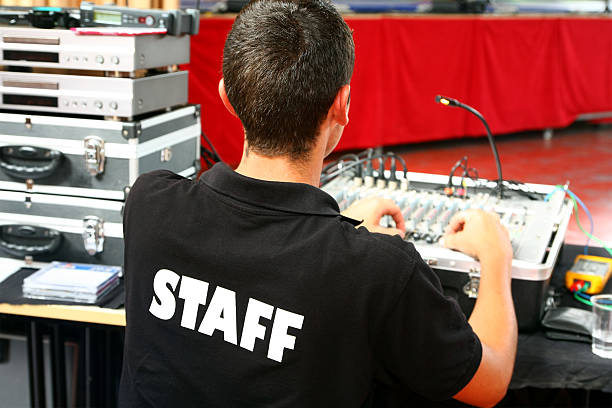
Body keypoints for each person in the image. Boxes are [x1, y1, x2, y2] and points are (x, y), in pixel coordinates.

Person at [118, 0, 517, 406]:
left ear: (226, 96)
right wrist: (497, 258)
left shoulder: (148, 203)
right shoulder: (379, 270)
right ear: (342, 106)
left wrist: (341, 230)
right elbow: (490, 382)